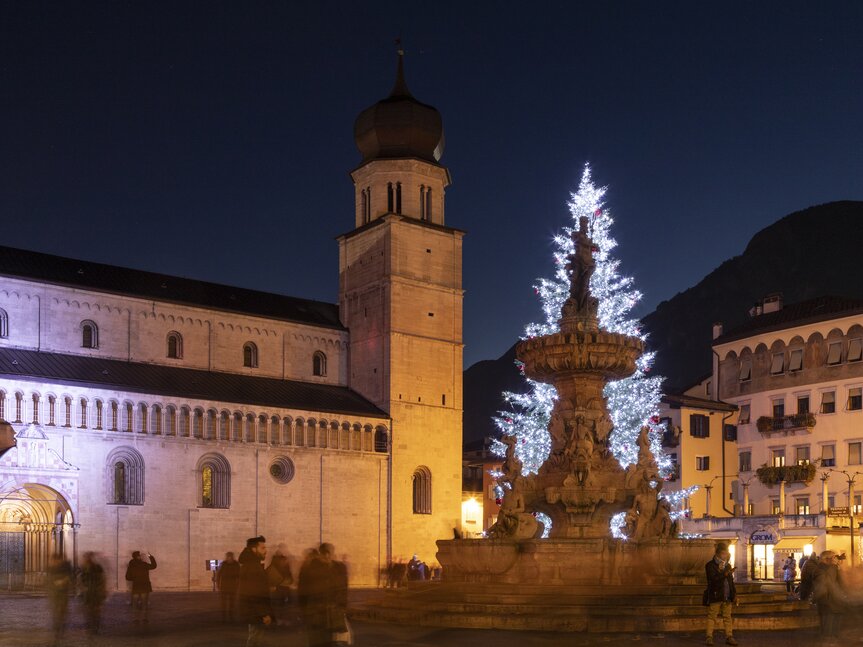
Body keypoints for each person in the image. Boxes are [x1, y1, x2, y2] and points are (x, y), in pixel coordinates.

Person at [298, 543, 350, 647]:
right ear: (320, 554)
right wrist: (304, 610)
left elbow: (344, 589)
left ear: (332, 553)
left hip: (333, 610)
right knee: (317, 640)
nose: (327, 556)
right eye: (324, 553)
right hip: (316, 611)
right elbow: (303, 591)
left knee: (334, 641)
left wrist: (342, 606)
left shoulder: (340, 567)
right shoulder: (310, 568)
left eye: (329, 553)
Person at [238, 536, 273, 647]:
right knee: (255, 641)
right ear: (254, 549)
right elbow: (254, 593)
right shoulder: (253, 567)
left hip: (253, 610)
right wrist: (264, 614)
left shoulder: (251, 564)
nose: (266, 551)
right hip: (256, 612)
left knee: (255, 639)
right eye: (262, 548)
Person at [704, 542, 738, 646]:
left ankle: (729, 636)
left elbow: (730, 581)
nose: (725, 555)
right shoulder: (710, 565)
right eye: (723, 553)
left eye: (726, 553)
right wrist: (724, 573)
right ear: (718, 553)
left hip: (727, 595)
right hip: (716, 595)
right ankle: (709, 637)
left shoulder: (727, 565)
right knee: (712, 617)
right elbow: (713, 580)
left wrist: (734, 594)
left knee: (727, 617)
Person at [812, 550, 847, 640]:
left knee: (834, 626)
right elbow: (823, 585)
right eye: (833, 558)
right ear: (827, 559)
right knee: (828, 627)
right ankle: (827, 641)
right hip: (827, 601)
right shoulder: (820, 570)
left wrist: (838, 568)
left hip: (834, 601)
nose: (835, 559)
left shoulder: (832, 568)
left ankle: (831, 640)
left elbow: (841, 583)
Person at [45, 553, 73, 645]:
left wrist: (62, 582)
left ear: (58, 560)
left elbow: (69, 579)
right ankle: (58, 630)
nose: (52, 562)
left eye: (54, 560)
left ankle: (59, 629)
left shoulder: (65, 569)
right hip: (54, 596)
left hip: (62, 596)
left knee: (61, 613)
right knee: (56, 613)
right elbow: (47, 582)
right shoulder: (50, 569)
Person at [125, 550, 157, 624]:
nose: (141, 557)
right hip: (144, 586)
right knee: (144, 603)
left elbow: (127, 577)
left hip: (136, 586)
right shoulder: (144, 565)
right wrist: (150, 557)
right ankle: (145, 619)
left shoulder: (131, 566)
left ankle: (135, 619)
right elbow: (154, 566)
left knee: (135, 604)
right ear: (138, 557)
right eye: (140, 555)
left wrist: (135, 578)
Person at [80, 551, 107, 636]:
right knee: (90, 610)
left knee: (94, 610)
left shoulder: (96, 567)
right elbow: (81, 579)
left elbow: (102, 579)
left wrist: (102, 589)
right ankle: (92, 626)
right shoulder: (84, 568)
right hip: (89, 592)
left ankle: (94, 626)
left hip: (94, 591)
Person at [216, 551, 241, 623]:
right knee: (224, 603)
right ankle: (224, 618)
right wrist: (218, 584)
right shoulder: (223, 564)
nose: (229, 558)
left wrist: (238, 585)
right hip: (224, 587)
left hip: (233, 587)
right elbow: (218, 575)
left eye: (230, 557)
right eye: (228, 557)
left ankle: (231, 617)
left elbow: (239, 576)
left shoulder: (236, 564)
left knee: (232, 603)